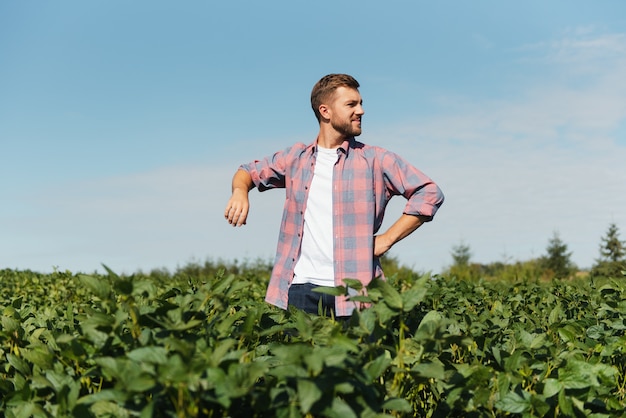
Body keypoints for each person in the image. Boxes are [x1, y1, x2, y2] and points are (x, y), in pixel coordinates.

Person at [224, 74, 444, 318]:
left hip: (357, 292)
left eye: (360, 103)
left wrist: (387, 239)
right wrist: (240, 192)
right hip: (300, 289)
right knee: (297, 357)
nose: (361, 111)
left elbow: (429, 192)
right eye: (351, 104)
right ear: (325, 111)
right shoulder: (296, 158)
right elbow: (247, 172)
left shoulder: (376, 160)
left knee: (362, 357)